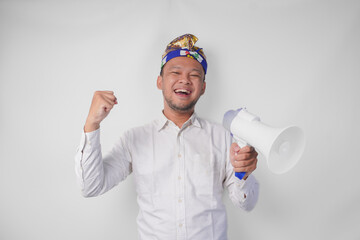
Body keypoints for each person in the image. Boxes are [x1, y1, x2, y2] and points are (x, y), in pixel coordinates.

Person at [75, 34, 259, 239]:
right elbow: (91, 187)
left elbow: (247, 203)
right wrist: (92, 124)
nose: (185, 80)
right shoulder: (133, 139)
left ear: (203, 88)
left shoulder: (224, 138)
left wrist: (244, 173)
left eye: (195, 75)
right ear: (159, 82)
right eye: (175, 72)